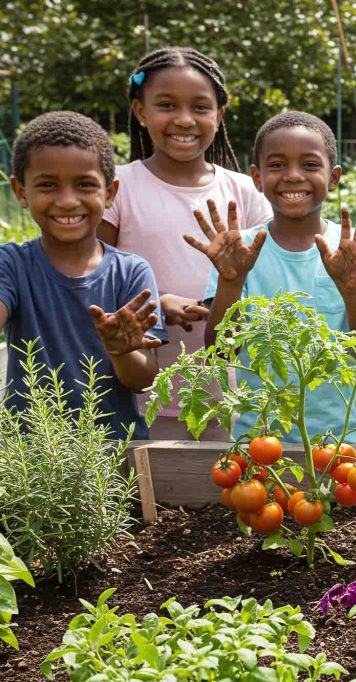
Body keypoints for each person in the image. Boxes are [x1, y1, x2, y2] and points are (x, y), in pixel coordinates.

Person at [99, 46, 272, 440]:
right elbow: (95, 278)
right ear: (141, 112)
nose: (184, 119)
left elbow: (270, 281)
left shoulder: (244, 191)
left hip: (231, 395)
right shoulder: (118, 189)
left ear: (219, 115)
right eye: (166, 105)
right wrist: (158, 303)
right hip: (140, 394)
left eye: (199, 107)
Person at [191, 112, 356, 444]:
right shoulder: (240, 252)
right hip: (260, 442)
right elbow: (220, 354)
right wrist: (231, 282)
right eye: (277, 165)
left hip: (340, 446)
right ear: (257, 178)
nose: (293, 176)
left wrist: (351, 289)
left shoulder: (352, 251)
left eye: (310, 165)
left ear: (334, 177)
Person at [4, 111, 166, 439]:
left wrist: (122, 351)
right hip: (32, 461)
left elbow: (144, 379)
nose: (66, 201)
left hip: (117, 456)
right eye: (48, 185)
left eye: (85, 184)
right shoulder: (11, 263)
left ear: (109, 192)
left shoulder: (131, 272)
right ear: (21, 192)